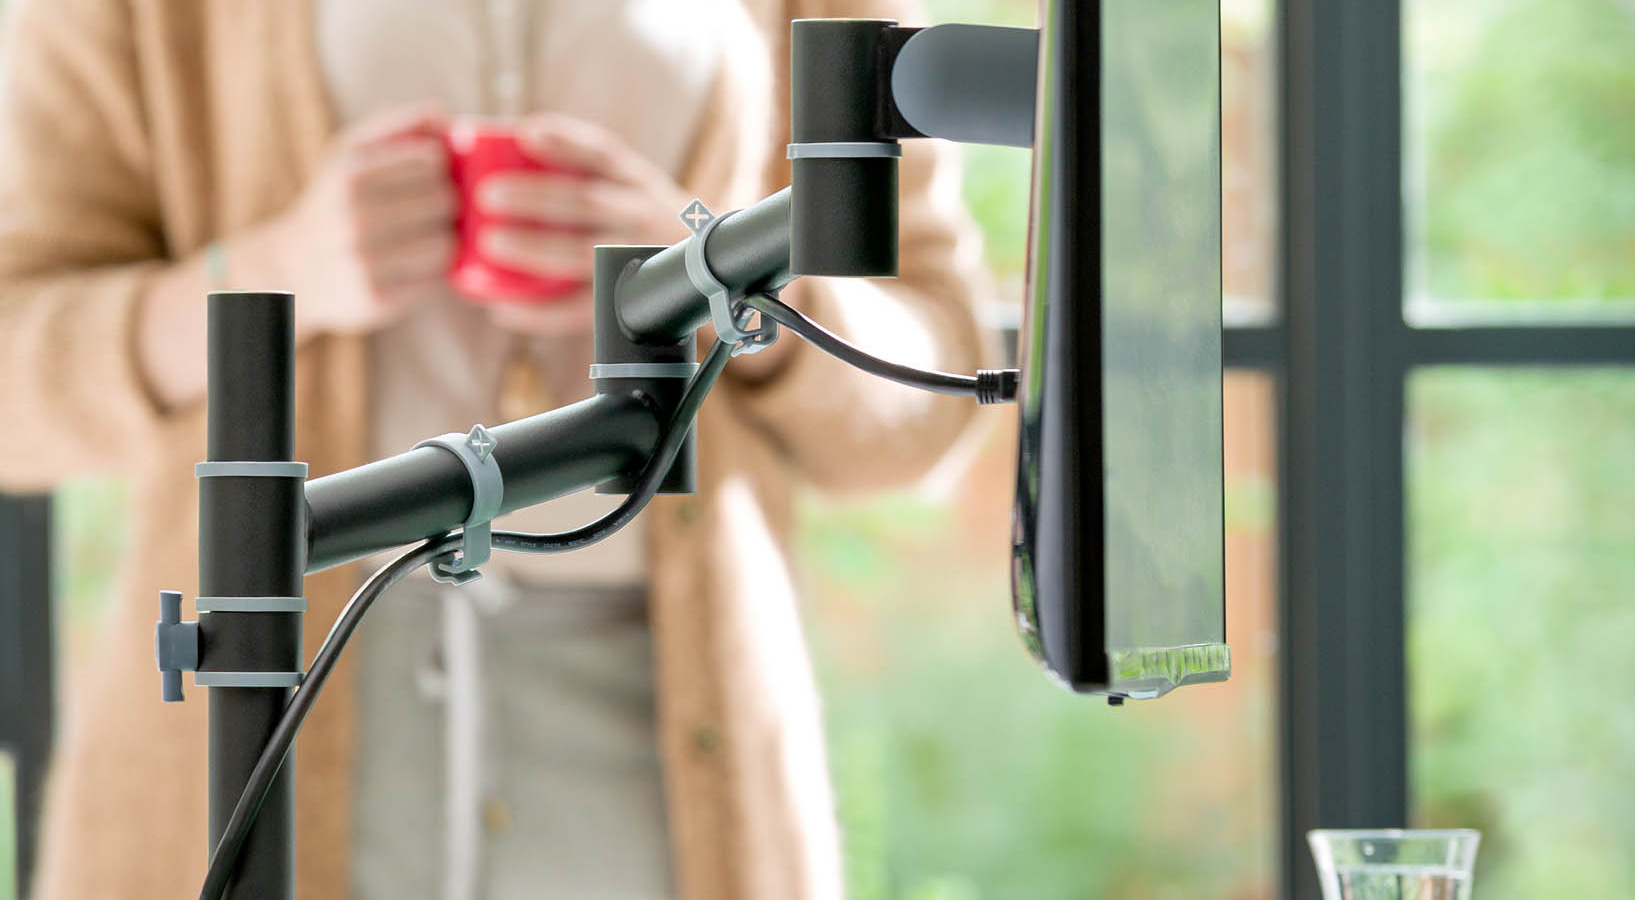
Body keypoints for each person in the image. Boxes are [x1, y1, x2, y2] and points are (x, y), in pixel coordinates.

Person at [0, 0, 988, 898]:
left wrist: (719, 272)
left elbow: (939, 378)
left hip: (664, 713)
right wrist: (278, 268)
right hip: (272, 686)